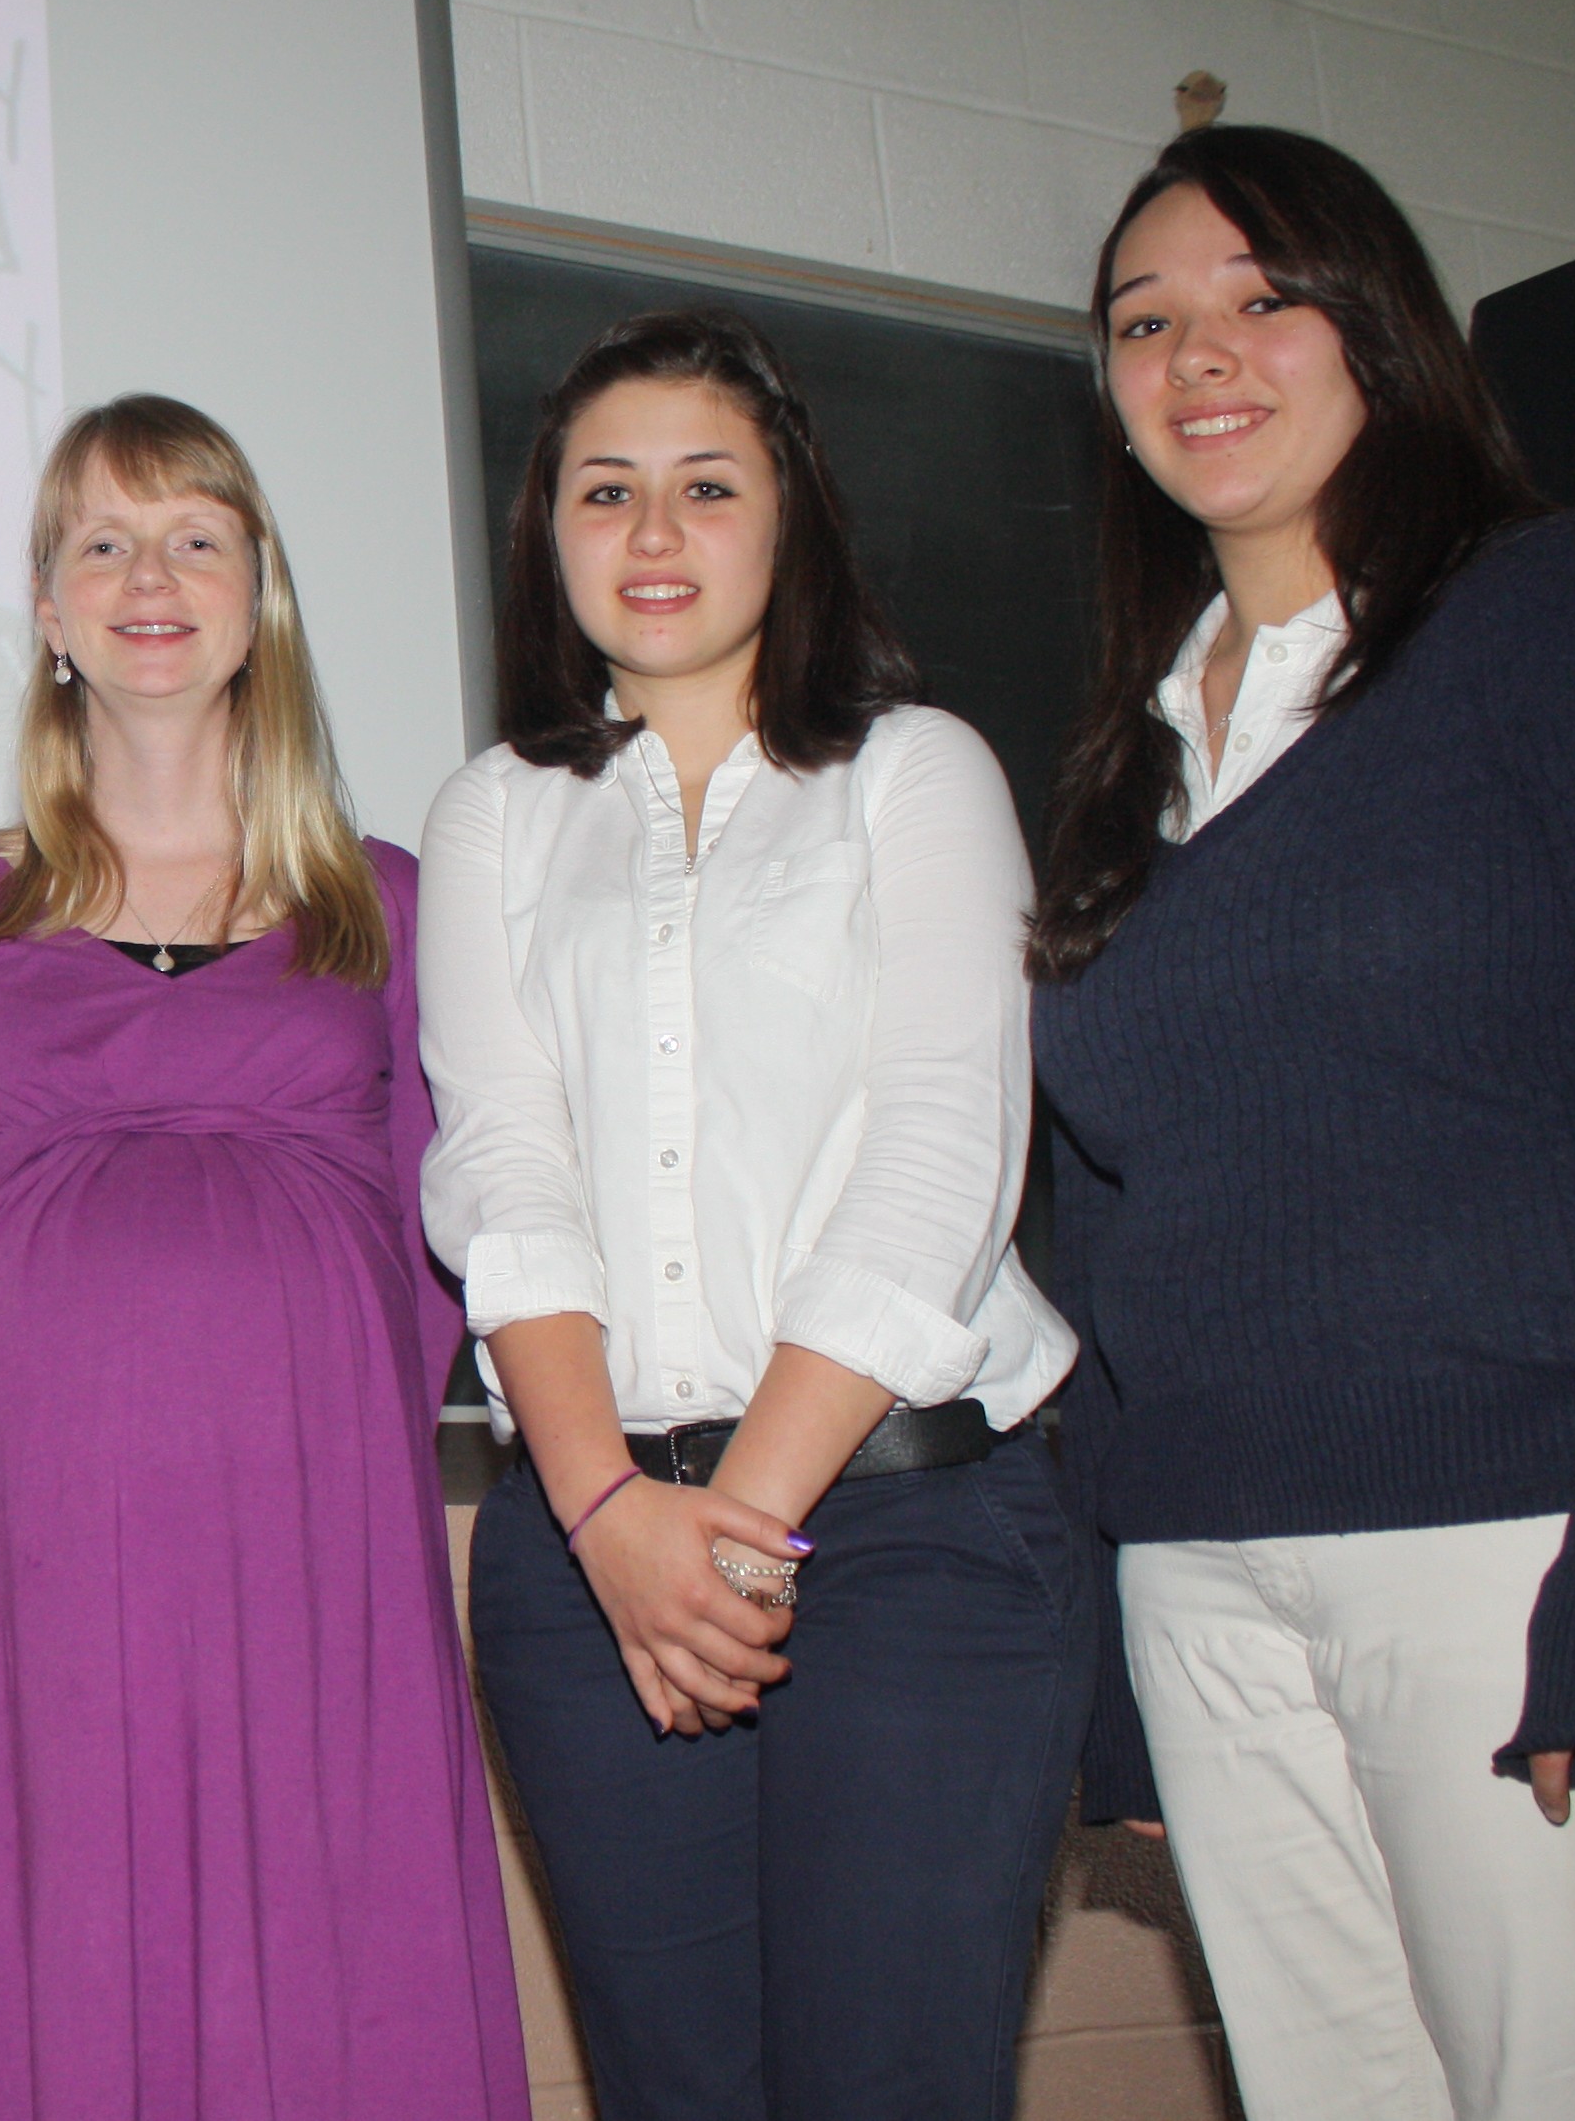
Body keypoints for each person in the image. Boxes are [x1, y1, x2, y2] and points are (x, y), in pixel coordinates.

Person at [421, 309, 1083, 2121]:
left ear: (789, 519)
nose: (652, 532)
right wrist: (611, 1515)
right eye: (605, 491)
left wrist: (740, 1531)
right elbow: (504, 1172)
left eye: (706, 488)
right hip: (593, 1554)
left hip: (909, 1540)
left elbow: (941, 1156)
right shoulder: (495, 814)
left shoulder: (914, 769)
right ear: (548, 532)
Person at [1030, 125, 1575, 2121]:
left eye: (1261, 296)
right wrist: (1118, 1658)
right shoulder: (1124, 756)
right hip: (1202, 1585)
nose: (1197, 353)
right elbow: (1099, 1237)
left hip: (1505, 1550)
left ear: (1378, 326)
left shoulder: (1552, 610)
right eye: (1143, 323)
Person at [0, 394, 528, 2120]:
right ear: (48, 608)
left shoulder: (388, 901)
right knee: (61, 1927)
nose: (149, 578)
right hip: (39, 1545)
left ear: (258, 596)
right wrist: (71, 1393)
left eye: (194, 539)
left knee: (330, 1932)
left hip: (319, 1530)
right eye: (105, 542)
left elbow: (448, 1223)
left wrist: (305, 1404)